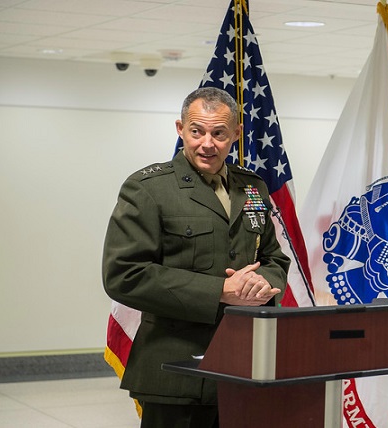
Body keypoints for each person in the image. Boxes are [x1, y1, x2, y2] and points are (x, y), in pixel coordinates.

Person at [102, 87, 290, 427]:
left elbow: (273, 256)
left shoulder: (252, 187)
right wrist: (220, 290)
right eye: (197, 131)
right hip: (174, 372)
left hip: (243, 365)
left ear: (236, 133)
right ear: (180, 129)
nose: (207, 143)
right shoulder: (148, 188)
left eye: (219, 133)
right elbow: (123, 275)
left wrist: (264, 284)